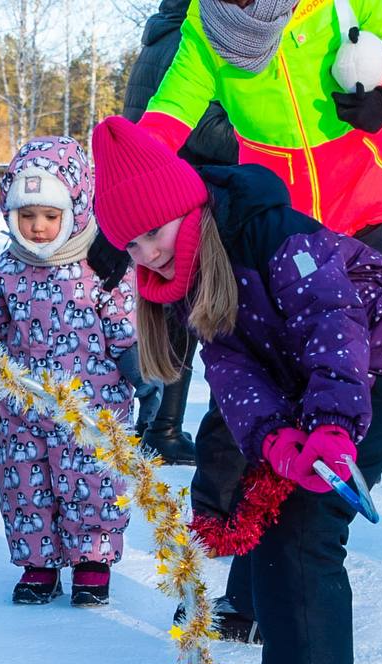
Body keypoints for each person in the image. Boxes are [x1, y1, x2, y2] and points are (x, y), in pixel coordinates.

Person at [93, 116, 382, 664]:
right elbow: (231, 369)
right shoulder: (193, 268)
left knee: (311, 508)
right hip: (302, 360)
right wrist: (274, 436)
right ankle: (258, 612)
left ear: (185, 206)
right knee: (264, 488)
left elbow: (331, 323)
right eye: (131, 246)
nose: (145, 254)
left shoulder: (275, 237)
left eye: (151, 233)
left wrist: (330, 431)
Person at [140, 0, 382, 258]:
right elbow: (169, 114)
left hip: (369, 202)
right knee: (307, 328)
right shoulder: (205, 28)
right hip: (279, 223)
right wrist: (131, 195)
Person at [0, 136, 136, 607]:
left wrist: (140, 370)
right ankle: (38, 564)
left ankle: (91, 562)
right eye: (27, 215)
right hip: (23, 406)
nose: (38, 227)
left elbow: (123, 326)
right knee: (25, 485)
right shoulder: (6, 269)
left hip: (91, 408)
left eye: (49, 215)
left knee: (94, 483)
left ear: (76, 208)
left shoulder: (101, 264)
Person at [104, 0, 240, 466]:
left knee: (175, 312)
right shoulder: (190, 40)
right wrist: (252, 131)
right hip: (183, 201)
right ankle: (167, 427)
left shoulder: (157, 39)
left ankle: (161, 423)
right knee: (207, 315)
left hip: (164, 201)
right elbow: (199, 126)